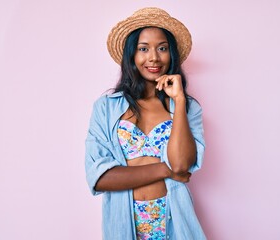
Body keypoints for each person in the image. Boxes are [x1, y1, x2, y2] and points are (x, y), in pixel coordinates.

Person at [85, 7, 206, 240]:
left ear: (172, 55)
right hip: (123, 224)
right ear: (131, 55)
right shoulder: (106, 108)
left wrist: (179, 101)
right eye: (143, 49)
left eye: (162, 48)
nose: (153, 57)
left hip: (175, 222)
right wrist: (163, 169)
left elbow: (181, 166)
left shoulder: (188, 108)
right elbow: (99, 178)